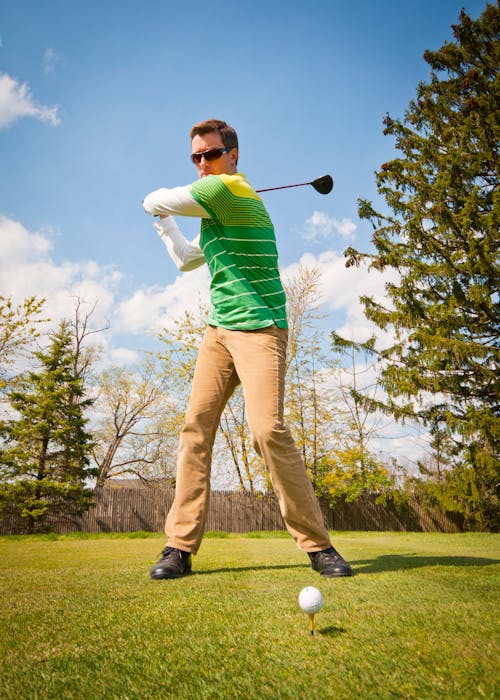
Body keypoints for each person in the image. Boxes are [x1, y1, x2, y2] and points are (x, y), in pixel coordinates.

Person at [142, 119, 353, 579]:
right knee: (195, 429)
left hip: (260, 328)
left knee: (267, 430)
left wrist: (154, 209)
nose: (203, 164)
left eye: (211, 154)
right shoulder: (217, 209)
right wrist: (165, 226)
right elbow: (185, 259)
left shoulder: (226, 190)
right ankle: (178, 547)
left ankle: (318, 546)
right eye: (196, 157)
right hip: (219, 331)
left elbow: (152, 198)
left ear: (233, 156)